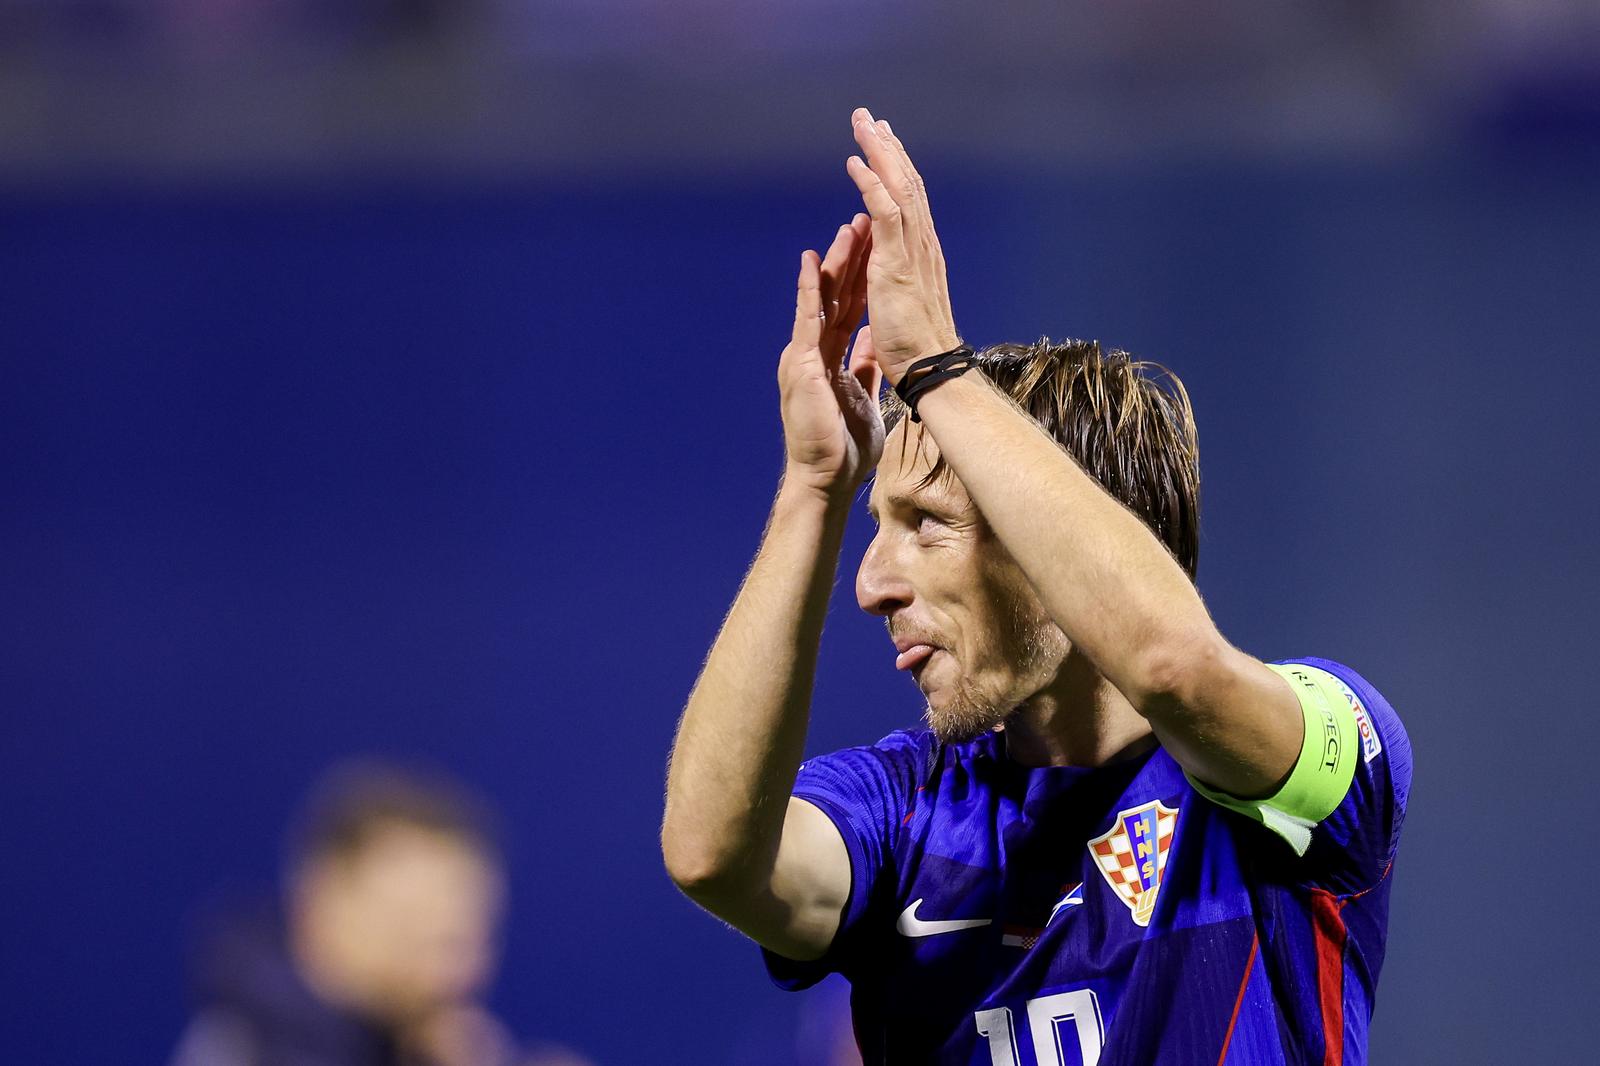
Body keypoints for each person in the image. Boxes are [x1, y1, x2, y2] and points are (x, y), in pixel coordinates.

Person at [661, 107, 1411, 1065]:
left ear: (1055, 542)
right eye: (875, 526)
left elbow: (1175, 668)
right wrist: (814, 484)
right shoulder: (904, 809)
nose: (872, 585)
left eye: (927, 526)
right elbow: (712, 854)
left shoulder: (1311, 759)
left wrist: (938, 368)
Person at [171, 762, 590, 1066]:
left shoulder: (416, 1042)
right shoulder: (242, 1049)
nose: (450, 969)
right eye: (412, 929)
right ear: (319, 902)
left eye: (468, 937)